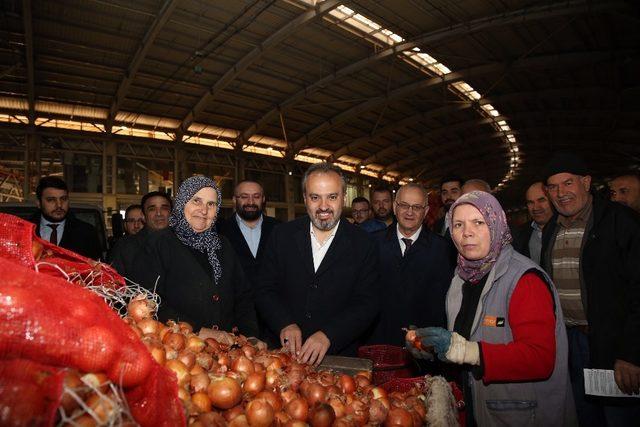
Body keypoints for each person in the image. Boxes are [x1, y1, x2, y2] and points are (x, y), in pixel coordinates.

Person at [409, 191, 575, 426]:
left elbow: (540, 358)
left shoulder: (525, 280)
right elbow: (466, 342)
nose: (467, 232)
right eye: (458, 224)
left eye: (478, 222)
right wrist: (432, 347)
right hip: (479, 408)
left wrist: (468, 351)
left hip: (522, 415)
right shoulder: (462, 278)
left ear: (497, 224)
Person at [541, 152, 640, 426]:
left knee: (618, 417)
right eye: (553, 187)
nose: (561, 193)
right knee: (583, 416)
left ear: (586, 182)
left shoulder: (621, 222)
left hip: (612, 346)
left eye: (568, 183)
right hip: (570, 344)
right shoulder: (552, 229)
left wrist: (631, 354)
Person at [255, 163, 379, 365]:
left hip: (338, 357)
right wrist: (284, 323)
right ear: (304, 198)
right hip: (283, 356)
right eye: (315, 197)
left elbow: (367, 303)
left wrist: (329, 334)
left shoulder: (364, 244)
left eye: (332, 197)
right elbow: (264, 288)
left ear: (343, 197)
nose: (323, 206)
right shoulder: (281, 236)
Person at [134, 176, 258, 335]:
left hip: (226, 350)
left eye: (211, 204)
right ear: (182, 203)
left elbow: (243, 296)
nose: (204, 210)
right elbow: (149, 303)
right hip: (178, 348)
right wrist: (198, 331)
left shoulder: (223, 245)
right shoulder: (157, 245)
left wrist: (250, 337)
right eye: (196, 201)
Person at [367, 183, 454, 346]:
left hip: (423, 345)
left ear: (426, 211)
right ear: (394, 207)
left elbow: (443, 303)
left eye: (417, 207)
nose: (409, 212)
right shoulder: (372, 244)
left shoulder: (443, 249)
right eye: (404, 205)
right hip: (379, 343)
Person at [217, 180, 280, 280]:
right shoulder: (219, 231)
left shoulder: (280, 228)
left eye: (256, 197)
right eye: (244, 197)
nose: (251, 202)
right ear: (234, 200)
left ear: (263, 199)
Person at [30, 176, 101, 260]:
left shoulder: (86, 232)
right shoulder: (25, 231)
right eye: (51, 200)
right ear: (38, 203)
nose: (59, 205)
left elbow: (97, 268)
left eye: (63, 199)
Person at [109, 191, 173, 278]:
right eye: (152, 209)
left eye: (164, 208)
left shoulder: (184, 244)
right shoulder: (125, 246)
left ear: (172, 214)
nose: (159, 213)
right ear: (143, 216)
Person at [512, 182, 554, 264]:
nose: (536, 207)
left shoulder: (565, 230)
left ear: (552, 201)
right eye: (530, 202)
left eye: (541, 200)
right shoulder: (520, 234)